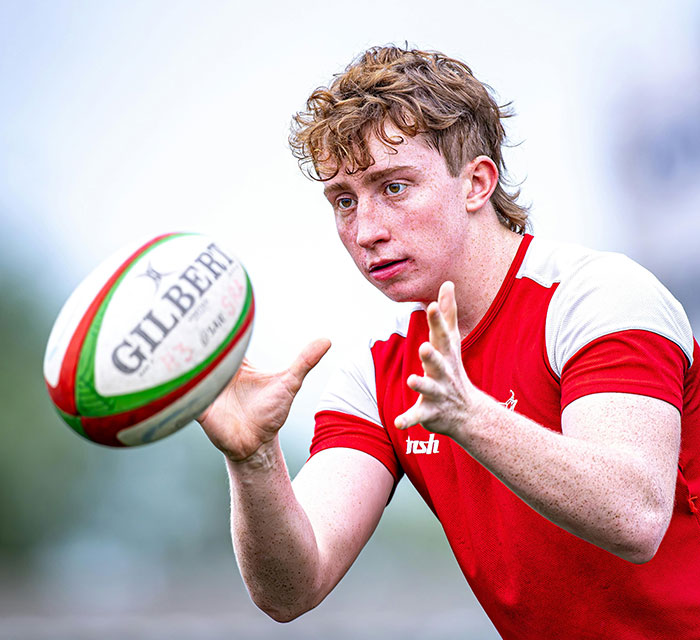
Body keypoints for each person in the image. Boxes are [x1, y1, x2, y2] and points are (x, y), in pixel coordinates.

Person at [198, 46, 700, 638]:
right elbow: (293, 587)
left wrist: (472, 417)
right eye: (343, 200)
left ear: (477, 183)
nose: (366, 231)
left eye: (393, 187)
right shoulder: (376, 373)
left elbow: (635, 515)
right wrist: (253, 459)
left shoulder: (598, 298)